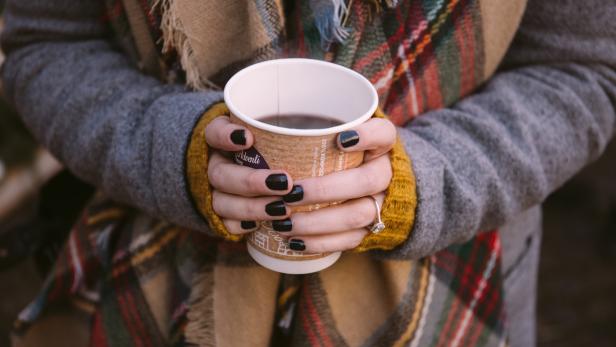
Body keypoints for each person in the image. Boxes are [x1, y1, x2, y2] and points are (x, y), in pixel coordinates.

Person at [1, 0, 615, 346]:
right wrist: (174, 151)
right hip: (158, 295)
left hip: (446, 301)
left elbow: (583, 69)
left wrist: (421, 185)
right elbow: (46, 42)